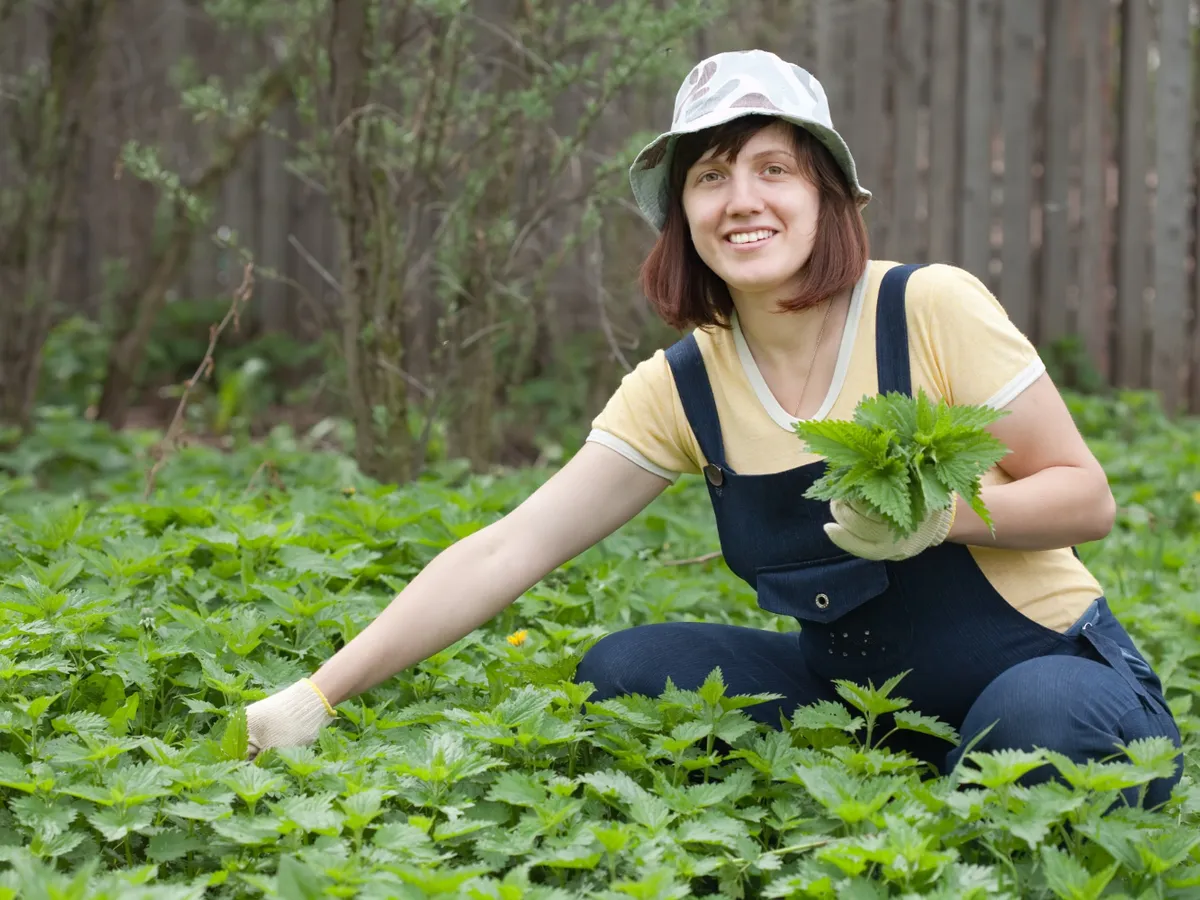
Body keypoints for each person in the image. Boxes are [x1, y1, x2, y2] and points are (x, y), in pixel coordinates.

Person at [244, 49, 1181, 806]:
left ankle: (985, 781)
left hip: (1049, 672)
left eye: (775, 168)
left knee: (1039, 724)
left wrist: (947, 518)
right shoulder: (685, 384)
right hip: (861, 716)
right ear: (680, 213)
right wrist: (322, 691)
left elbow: (1085, 497)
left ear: (827, 197)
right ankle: (905, 787)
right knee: (626, 669)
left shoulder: (925, 307)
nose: (742, 199)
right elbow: (512, 546)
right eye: (711, 175)